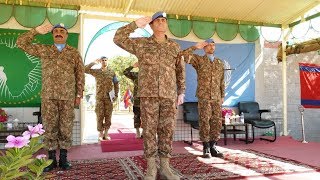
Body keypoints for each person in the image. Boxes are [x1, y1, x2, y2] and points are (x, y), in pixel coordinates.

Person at [114, 11, 185, 180]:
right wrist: (134, 25)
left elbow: (180, 70)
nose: (161, 22)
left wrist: (181, 91)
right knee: (149, 131)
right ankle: (151, 169)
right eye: (157, 20)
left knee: (167, 131)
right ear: (151, 25)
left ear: (166, 24)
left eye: (163, 20)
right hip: (148, 95)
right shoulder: (142, 44)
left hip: (169, 95)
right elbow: (118, 39)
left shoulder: (174, 46)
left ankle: (166, 168)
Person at [16, 23, 85, 171]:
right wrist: (35, 31)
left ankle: (64, 159)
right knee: (50, 127)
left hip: (67, 96)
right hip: (49, 96)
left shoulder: (74, 53)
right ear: (52, 35)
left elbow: (80, 74)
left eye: (62, 31)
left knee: (66, 127)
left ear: (66, 35)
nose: (59, 33)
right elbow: (21, 43)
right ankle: (51, 159)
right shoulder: (44, 49)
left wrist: (79, 94)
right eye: (56, 31)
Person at [182, 39, 225, 158]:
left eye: (213, 45)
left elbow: (222, 81)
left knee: (216, 122)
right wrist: (196, 47)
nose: (211, 47)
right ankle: (205, 147)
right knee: (205, 121)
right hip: (204, 96)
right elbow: (184, 56)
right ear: (204, 48)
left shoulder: (220, 63)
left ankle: (213, 146)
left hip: (216, 97)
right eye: (208, 45)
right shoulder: (199, 60)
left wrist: (222, 96)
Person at [85, 57, 119, 141]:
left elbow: (116, 83)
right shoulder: (97, 72)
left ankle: (106, 133)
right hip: (99, 97)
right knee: (99, 115)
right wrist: (93, 62)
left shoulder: (112, 72)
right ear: (101, 62)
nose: (104, 62)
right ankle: (100, 133)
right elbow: (85, 69)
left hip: (109, 98)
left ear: (108, 61)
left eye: (105, 60)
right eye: (102, 60)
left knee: (108, 115)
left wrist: (116, 94)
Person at [123, 62, 142, 138]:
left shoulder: (150, 75)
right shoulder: (136, 75)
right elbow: (125, 72)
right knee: (137, 116)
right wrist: (132, 66)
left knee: (147, 117)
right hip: (137, 100)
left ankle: (144, 132)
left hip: (148, 101)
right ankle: (137, 131)